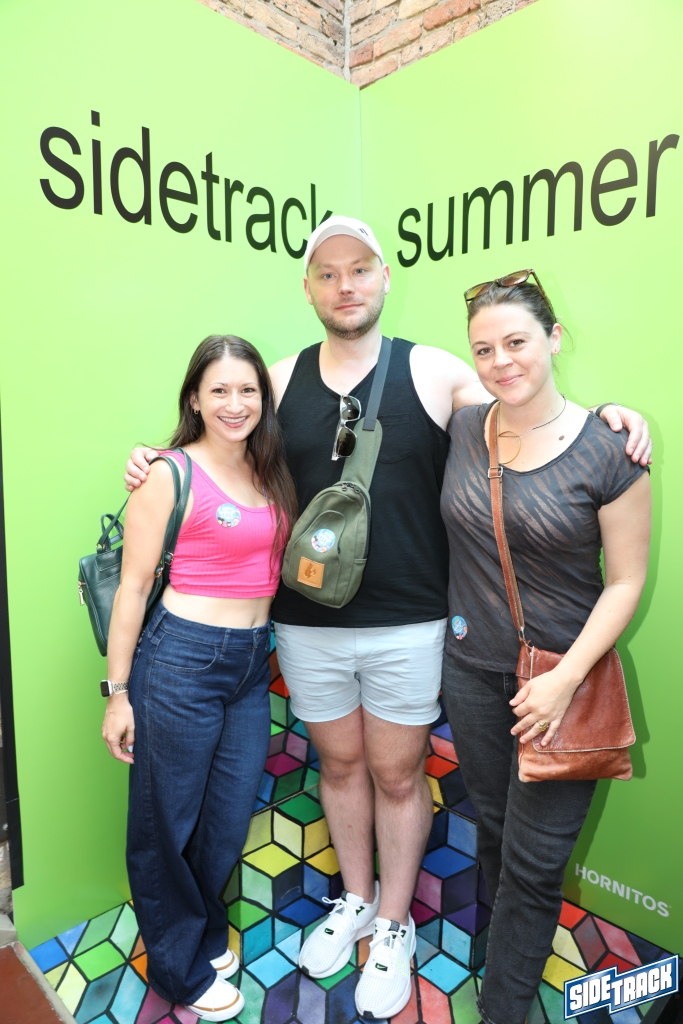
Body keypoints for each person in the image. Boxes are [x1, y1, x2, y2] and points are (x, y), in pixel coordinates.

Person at [124, 219, 652, 1020]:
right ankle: (357, 899)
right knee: (339, 768)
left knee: (399, 775)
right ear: (308, 287)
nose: (345, 285)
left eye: (360, 269)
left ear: (384, 277)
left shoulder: (436, 371)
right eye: (328, 272)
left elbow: (525, 407)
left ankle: (396, 924)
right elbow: (218, 446)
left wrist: (608, 416)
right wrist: (152, 458)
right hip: (306, 625)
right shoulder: (277, 378)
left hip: (411, 624)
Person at [439, 272, 651, 1024]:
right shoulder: (463, 428)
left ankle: (501, 1005)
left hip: (563, 686)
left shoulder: (610, 449)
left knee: (533, 867)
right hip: (470, 674)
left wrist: (564, 682)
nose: (501, 361)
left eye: (517, 342)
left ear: (554, 339)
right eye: (484, 349)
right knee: (495, 829)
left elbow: (625, 582)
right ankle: (499, 952)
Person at [102, 335, 297, 1021]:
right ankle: (177, 970)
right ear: (194, 398)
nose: (234, 403)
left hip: (250, 664)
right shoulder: (169, 473)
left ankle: (203, 933)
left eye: (247, 390)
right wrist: (117, 695)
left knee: (224, 818)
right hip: (180, 661)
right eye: (219, 390)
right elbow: (132, 590)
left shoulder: (269, 471)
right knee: (165, 823)